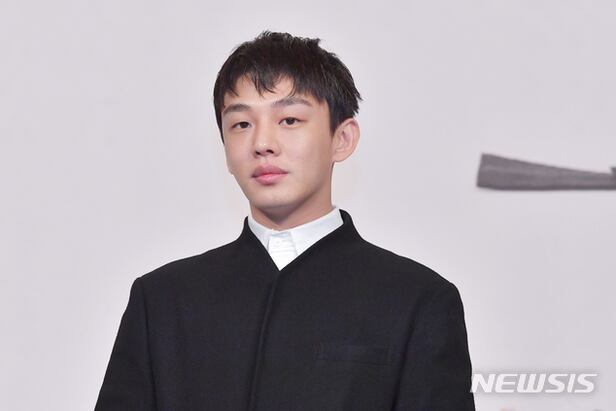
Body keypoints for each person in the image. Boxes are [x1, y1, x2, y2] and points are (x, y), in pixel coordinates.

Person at [95, 30, 475, 411]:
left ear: (342, 138)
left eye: (289, 120)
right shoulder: (161, 301)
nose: (263, 143)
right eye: (241, 124)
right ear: (225, 149)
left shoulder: (418, 301)